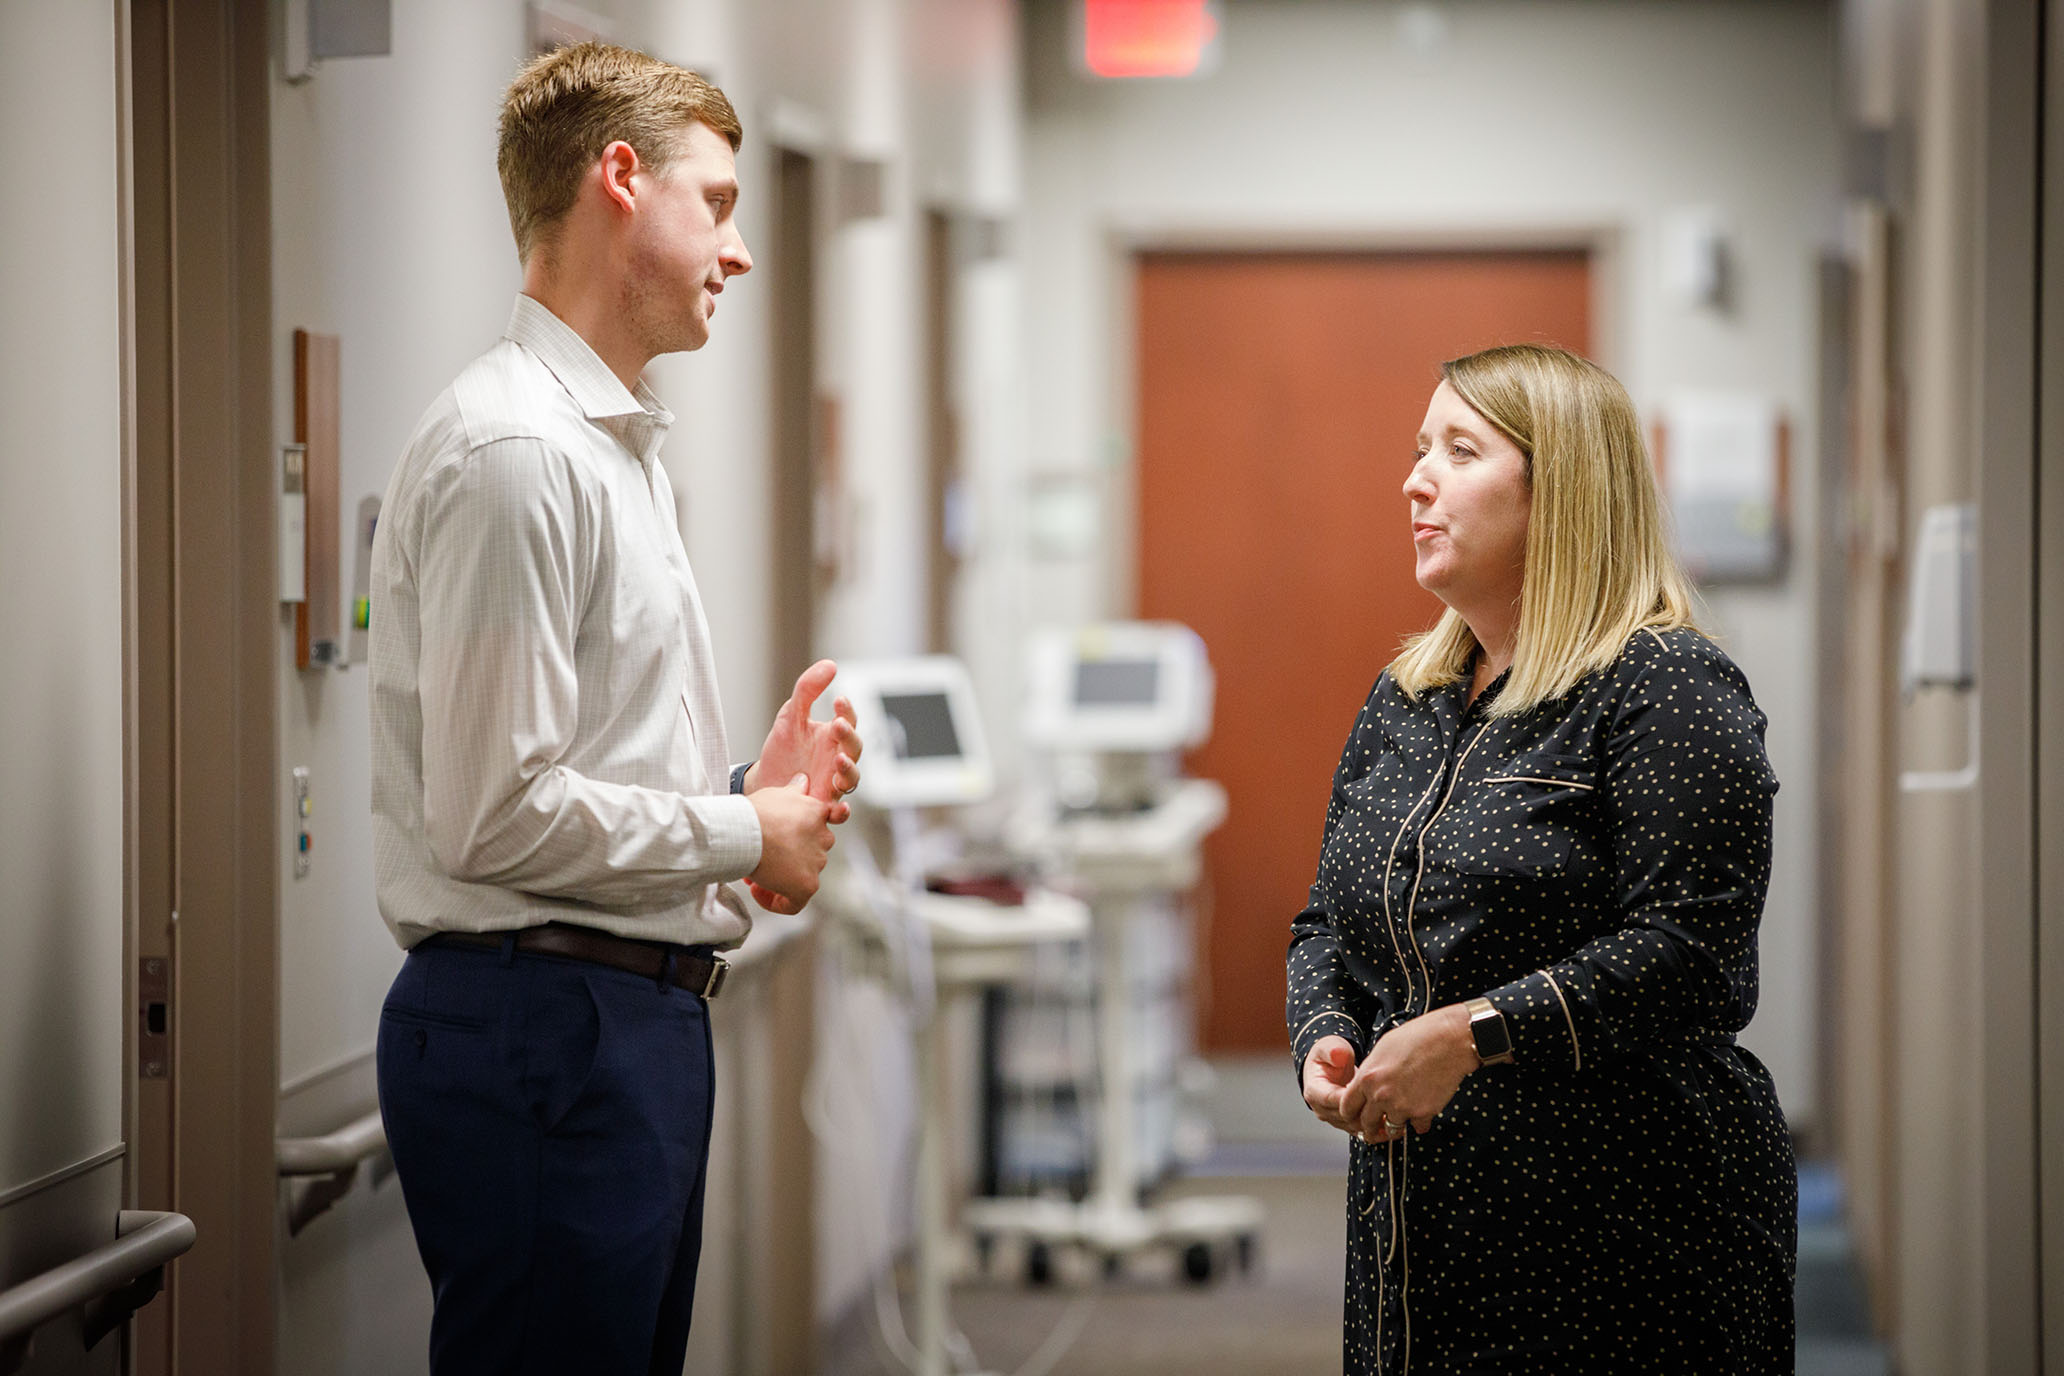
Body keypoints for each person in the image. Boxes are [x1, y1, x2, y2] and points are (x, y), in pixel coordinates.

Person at [368, 42, 861, 1376]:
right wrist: (740, 832)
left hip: (613, 1019)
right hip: (543, 1024)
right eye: (718, 201)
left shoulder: (610, 442)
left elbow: (559, 772)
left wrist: (735, 796)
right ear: (621, 180)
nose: (741, 249)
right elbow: (493, 816)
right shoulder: (518, 456)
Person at [1286, 343, 1796, 1374]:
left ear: (1559, 489)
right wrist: (1328, 1035)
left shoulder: (1667, 684)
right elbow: (1329, 921)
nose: (1414, 478)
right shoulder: (1411, 692)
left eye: (1459, 450)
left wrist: (1472, 1033)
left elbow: (1691, 948)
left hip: (1626, 1217)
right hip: (1419, 1220)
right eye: (1420, 447)